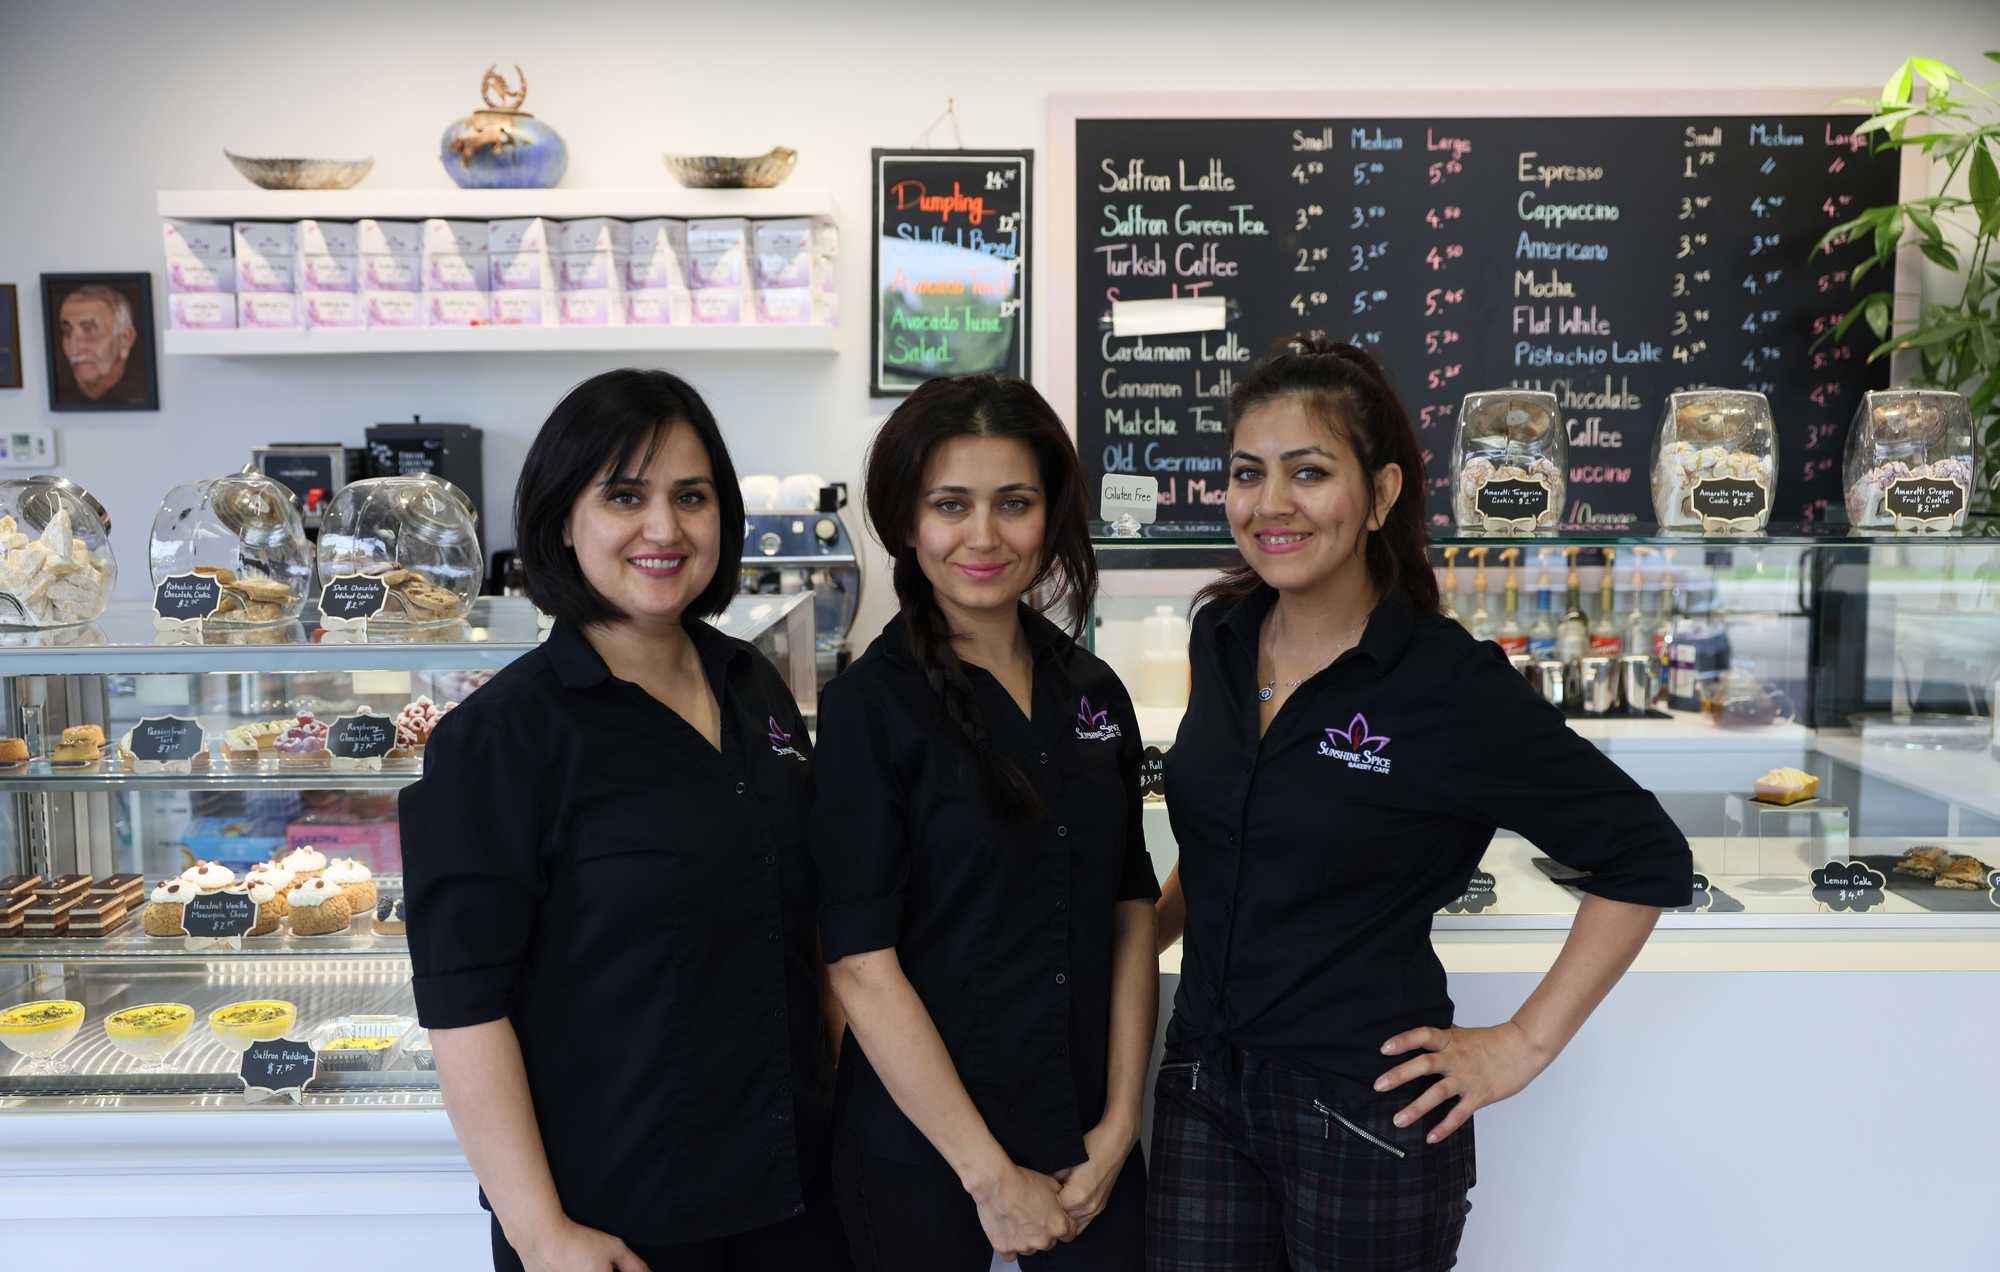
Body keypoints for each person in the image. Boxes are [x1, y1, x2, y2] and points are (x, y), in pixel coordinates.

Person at [1147, 338, 1692, 1271]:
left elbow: (1647, 856)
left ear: (1383, 495)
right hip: (1202, 1080)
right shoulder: (1223, 636)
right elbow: (1229, 835)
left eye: (1308, 473)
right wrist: (1135, 949)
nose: (1270, 504)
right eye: (1248, 474)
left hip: (1363, 1108)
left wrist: (1522, 1044)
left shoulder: (1444, 684)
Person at [400, 369, 850, 1272]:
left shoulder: (750, 682)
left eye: (691, 496)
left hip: (792, 1200)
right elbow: (463, 1009)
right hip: (615, 1227)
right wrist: (541, 1233)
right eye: (624, 497)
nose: (664, 528)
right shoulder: (499, 740)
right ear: (563, 518)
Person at [813, 373, 1159, 1270]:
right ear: (907, 520)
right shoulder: (867, 708)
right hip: (921, 1153)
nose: (983, 536)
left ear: (1051, 515)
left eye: (1014, 503)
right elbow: (859, 965)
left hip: (1086, 1135)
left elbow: (1130, 914)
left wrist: (1121, 1124)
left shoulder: (1093, 693)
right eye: (951, 505)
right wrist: (989, 1176)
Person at [57, 284, 146, 403]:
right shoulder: (63, 398)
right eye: (67, 332)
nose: (74, 349)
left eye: (89, 330)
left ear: (125, 338)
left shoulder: (140, 395)